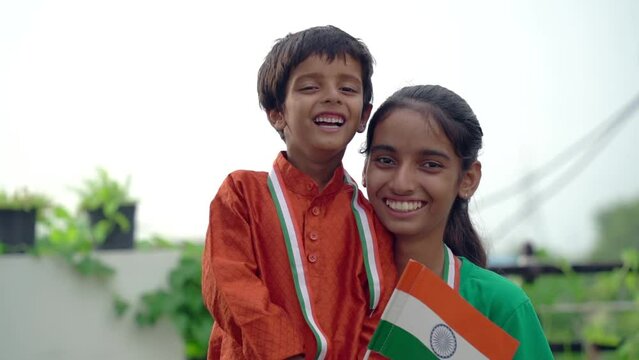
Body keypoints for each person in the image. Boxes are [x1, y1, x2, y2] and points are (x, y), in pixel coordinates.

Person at [201, 25, 397, 360]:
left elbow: (383, 310)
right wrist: (284, 352)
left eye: (347, 88)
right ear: (276, 113)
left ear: (364, 115)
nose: (332, 96)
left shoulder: (371, 218)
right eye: (310, 86)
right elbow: (229, 284)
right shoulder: (241, 194)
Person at [361, 85, 554, 359]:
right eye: (385, 160)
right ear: (365, 169)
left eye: (430, 165)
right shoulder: (328, 289)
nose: (402, 183)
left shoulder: (500, 307)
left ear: (468, 180)